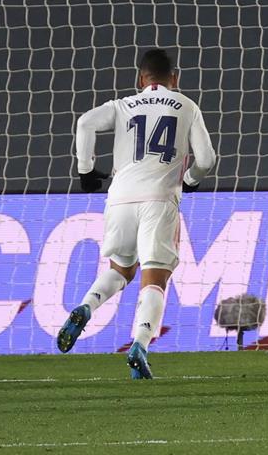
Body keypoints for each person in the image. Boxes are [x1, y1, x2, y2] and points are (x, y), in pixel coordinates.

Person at [57, 49, 216, 379]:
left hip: (120, 198)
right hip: (159, 199)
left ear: (141, 79)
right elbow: (207, 159)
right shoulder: (186, 105)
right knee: (155, 278)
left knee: (121, 269)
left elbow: (84, 122)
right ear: (174, 78)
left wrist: (85, 170)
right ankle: (140, 344)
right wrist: (190, 180)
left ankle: (86, 306)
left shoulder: (123, 104)